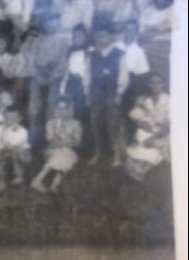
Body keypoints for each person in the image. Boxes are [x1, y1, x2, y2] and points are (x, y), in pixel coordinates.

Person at [27, 10, 69, 148]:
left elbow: (63, 62)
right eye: (49, 23)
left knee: (52, 106)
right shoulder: (37, 40)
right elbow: (31, 60)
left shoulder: (62, 41)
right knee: (34, 107)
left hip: (54, 76)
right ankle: (32, 140)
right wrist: (36, 75)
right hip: (37, 75)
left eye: (55, 23)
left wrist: (53, 76)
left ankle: (50, 139)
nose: (52, 26)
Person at [87, 22, 125, 167]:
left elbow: (123, 76)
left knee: (113, 124)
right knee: (96, 123)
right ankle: (99, 152)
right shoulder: (92, 54)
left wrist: (119, 93)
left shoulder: (118, 54)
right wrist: (87, 93)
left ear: (111, 37)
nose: (101, 39)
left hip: (111, 92)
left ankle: (117, 155)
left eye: (104, 36)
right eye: (98, 36)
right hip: (96, 92)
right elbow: (87, 75)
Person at [125, 72, 169, 182]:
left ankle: (141, 170)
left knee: (152, 145)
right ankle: (138, 168)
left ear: (163, 84)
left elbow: (169, 125)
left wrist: (154, 136)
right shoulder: (145, 100)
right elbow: (137, 116)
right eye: (152, 83)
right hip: (149, 128)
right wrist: (143, 125)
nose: (155, 85)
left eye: (158, 82)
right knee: (142, 141)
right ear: (149, 85)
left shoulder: (168, 99)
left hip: (162, 131)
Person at [32, 96, 82, 193]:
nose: (62, 112)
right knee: (63, 155)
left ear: (69, 109)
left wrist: (62, 142)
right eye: (59, 109)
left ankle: (46, 184)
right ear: (55, 110)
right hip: (52, 151)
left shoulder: (76, 124)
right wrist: (67, 141)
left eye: (65, 109)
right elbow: (51, 142)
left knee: (64, 155)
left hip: (69, 152)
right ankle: (46, 183)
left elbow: (77, 142)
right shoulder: (51, 123)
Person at [0, 105, 31, 206]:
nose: (10, 121)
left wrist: (4, 147)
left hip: (17, 159)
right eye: (8, 118)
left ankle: (16, 176)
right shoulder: (1, 129)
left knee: (14, 151)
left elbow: (15, 146)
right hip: (3, 156)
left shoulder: (22, 131)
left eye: (13, 118)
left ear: (19, 119)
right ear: (4, 118)